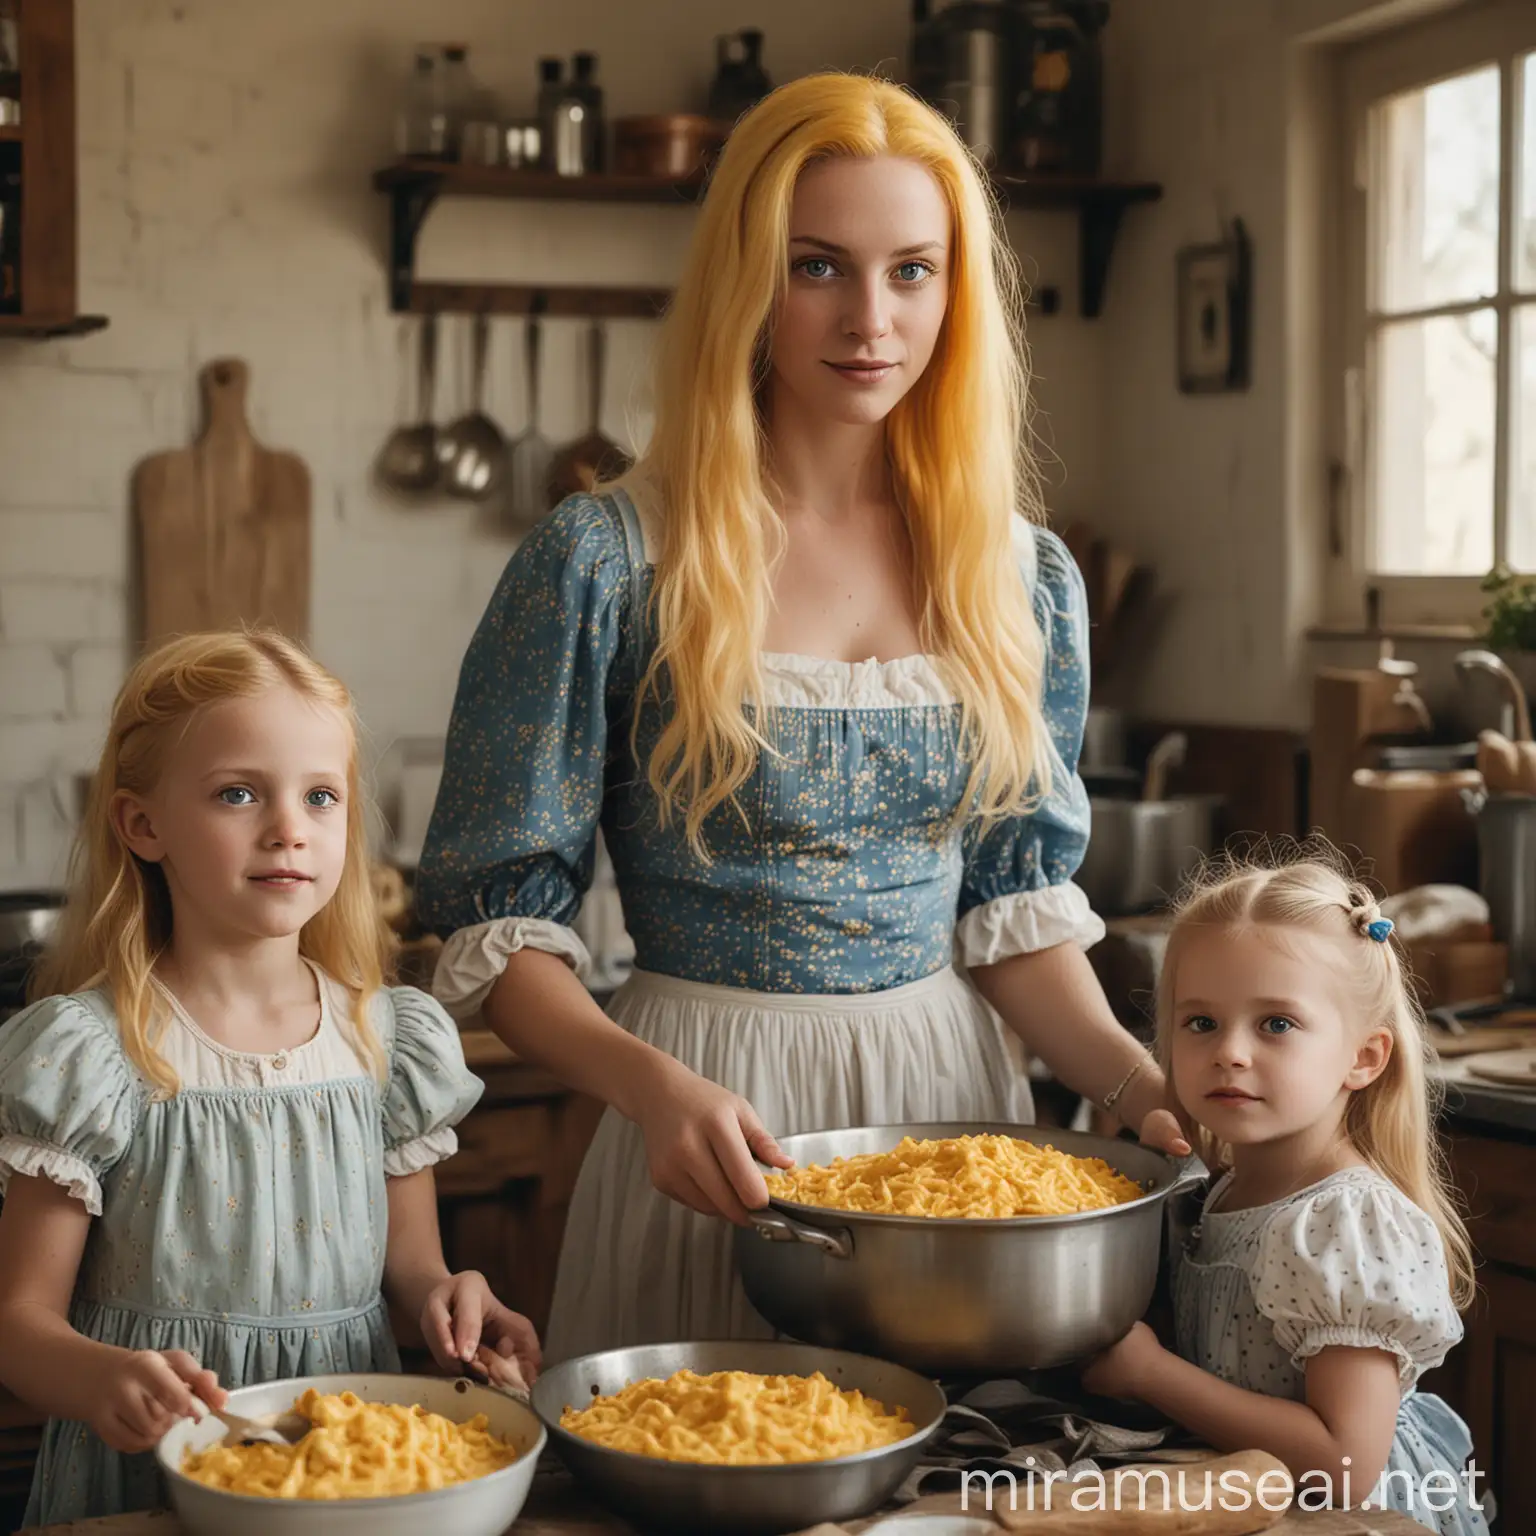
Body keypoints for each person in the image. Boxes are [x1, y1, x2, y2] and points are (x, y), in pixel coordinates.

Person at [415, 71, 1186, 1364]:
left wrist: (1132, 1081)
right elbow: (499, 933)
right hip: (706, 1114)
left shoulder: (1020, 577)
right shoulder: (603, 564)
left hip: (954, 1129)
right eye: (819, 266)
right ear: (744, 280)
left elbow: (1009, 913)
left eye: (913, 271)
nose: (872, 319)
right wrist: (644, 1088)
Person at [0, 631, 539, 1524]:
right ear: (142, 825)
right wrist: (100, 1377)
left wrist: (455, 1302)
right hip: (147, 1479)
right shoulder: (90, 1055)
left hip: (343, 1469)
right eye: (237, 793)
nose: (289, 826)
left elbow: (412, 1272)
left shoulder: (385, 1042)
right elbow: (20, 1327)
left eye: (321, 797)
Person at [1081, 848, 1489, 1536]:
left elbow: (1344, 1466)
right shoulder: (1227, 1187)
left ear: (1364, 1057)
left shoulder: (1342, 1222)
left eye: (1276, 1024)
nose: (1230, 1052)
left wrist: (1151, 1376)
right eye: (1201, 1023)